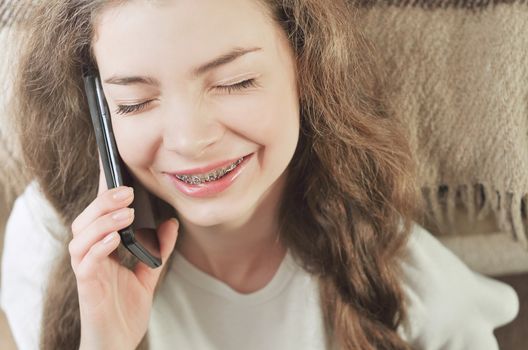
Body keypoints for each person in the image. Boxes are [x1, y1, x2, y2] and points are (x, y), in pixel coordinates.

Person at [0, 0, 519, 349]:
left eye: (235, 81)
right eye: (134, 103)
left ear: (307, 68)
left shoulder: (414, 287)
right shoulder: (51, 247)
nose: (189, 139)